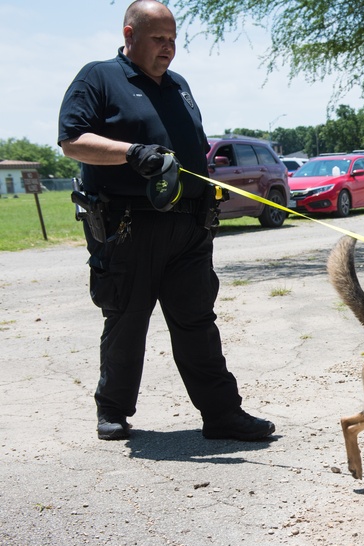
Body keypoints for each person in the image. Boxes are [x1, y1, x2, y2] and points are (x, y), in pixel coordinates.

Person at [58, 0, 275, 442]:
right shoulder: (98, 77)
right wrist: (131, 152)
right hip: (127, 227)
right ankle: (113, 411)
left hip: (190, 227)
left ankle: (222, 415)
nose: (168, 48)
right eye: (159, 39)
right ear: (129, 35)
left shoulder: (179, 85)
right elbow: (72, 141)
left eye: (173, 40)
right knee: (127, 319)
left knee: (198, 322)